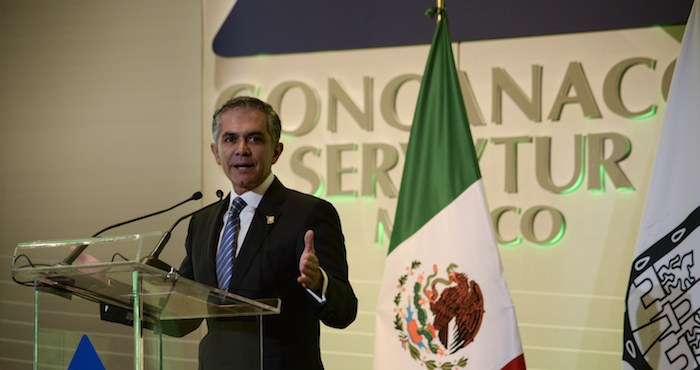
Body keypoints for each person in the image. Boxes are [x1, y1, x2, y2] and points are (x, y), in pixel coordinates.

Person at [174, 96, 358, 370]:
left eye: (255, 139)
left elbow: (344, 312)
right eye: (230, 139)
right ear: (215, 152)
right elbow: (182, 315)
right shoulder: (202, 221)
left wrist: (319, 282)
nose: (241, 149)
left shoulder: (308, 214)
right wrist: (125, 293)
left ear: (276, 151)